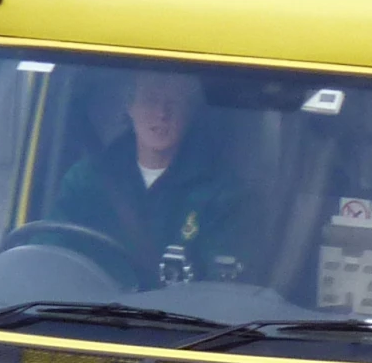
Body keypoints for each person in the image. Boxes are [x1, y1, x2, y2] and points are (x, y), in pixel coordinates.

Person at [48, 71, 249, 284]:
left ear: (190, 113)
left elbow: (224, 289)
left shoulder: (222, 194)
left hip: (176, 316)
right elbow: (47, 255)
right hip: (81, 312)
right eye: (151, 100)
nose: (162, 113)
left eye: (175, 102)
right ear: (130, 106)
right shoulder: (85, 181)